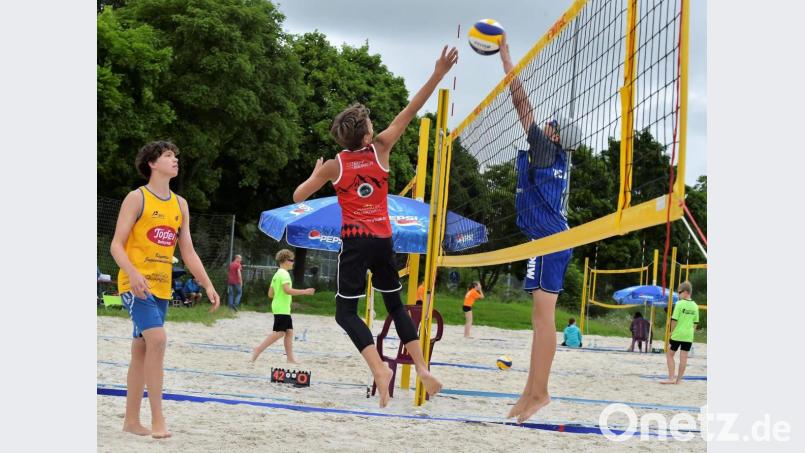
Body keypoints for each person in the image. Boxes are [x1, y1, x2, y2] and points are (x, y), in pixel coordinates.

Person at [292, 45, 458, 408]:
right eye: (369, 124)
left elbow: (299, 196)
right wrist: (438, 73)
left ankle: (380, 371)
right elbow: (412, 108)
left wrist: (315, 172)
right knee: (396, 306)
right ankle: (423, 369)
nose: (374, 126)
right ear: (367, 136)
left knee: (345, 313)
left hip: (354, 241)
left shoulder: (334, 165)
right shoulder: (381, 148)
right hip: (384, 240)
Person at [110, 140, 221, 439]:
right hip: (136, 285)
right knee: (157, 341)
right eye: (169, 156)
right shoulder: (137, 198)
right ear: (152, 163)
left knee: (141, 350)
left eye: (176, 155)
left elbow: (188, 251)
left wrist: (207, 283)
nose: (175, 160)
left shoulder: (180, 204)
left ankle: (131, 421)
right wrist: (132, 273)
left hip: (161, 287)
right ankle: (158, 420)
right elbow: (116, 245)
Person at [499, 33, 582, 424]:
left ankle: (540, 392)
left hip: (550, 240)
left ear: (555, 135)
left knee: (543, 319)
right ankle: (530, 392)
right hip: (544, 238)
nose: (544, 123)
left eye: (550, 124)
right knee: (538, 320)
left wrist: (506, 55)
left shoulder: (548, 148)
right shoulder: (555, 156)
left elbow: (520, 102)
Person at [251, 249, 315, 364]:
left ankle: (290, 359)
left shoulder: (277, 274)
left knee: (289, 332)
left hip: (279, 306)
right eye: (291, 260)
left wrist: (281, 296)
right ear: (285, 261)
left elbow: (270, 294)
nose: (293, 262)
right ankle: (258, 349)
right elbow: (287, 290)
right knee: (280, 332)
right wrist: (305, 291)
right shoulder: (284, 274)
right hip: (282, 308)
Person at [661, 281, 699, 384]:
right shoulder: (695, 306)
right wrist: (691, 333)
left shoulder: (679, 304)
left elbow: (674, 320)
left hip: (678, 334)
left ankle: (671, 378)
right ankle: (678, 380)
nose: (678, 294)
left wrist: (670, 332)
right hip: (688, 335)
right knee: (683, 358)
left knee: (669, 354)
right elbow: (695, 323)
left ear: (686, 292)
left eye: (679, 292)